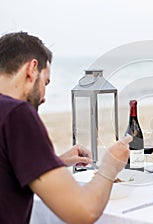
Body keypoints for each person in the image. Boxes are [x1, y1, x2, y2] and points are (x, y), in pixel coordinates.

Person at [0, 32, 132, 224]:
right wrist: (110, 166)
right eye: (45, 82)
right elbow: (84, 212)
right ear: (32, 68)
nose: (44, 97)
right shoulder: (17, 114)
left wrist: (54, 162)